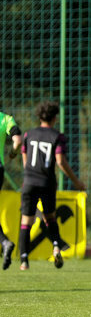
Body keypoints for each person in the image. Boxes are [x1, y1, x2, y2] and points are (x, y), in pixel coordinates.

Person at [17, 101, 86, 271]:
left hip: (30, 181)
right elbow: (60, 160)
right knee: (50, 217)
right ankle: (56, 246)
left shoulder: (29, 134)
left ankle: (24, 261)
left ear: (39, 117)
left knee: (27, 221)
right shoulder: (57, 136)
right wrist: (76, 181)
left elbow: (24, 156)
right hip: (47, 182)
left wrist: (28, 174)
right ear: (55, 118)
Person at [0, 108, 23, 268]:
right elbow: (18, 140)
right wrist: (13, 153)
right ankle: (4, 242)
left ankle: (5, 241)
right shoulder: (6, 119)